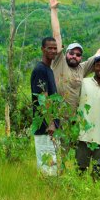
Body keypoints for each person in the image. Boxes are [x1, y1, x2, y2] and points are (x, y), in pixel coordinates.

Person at [30, 37, 58, 176]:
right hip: (45, 128)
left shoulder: (49, 70)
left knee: (53, 165)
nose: (53, 50)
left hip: (50, 128)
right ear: (43, 49)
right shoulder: (40, 70)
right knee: (48, 168)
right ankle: (47, 196)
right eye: (49, 48)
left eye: (55, 48)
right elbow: (43, 98)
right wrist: (51, 122)